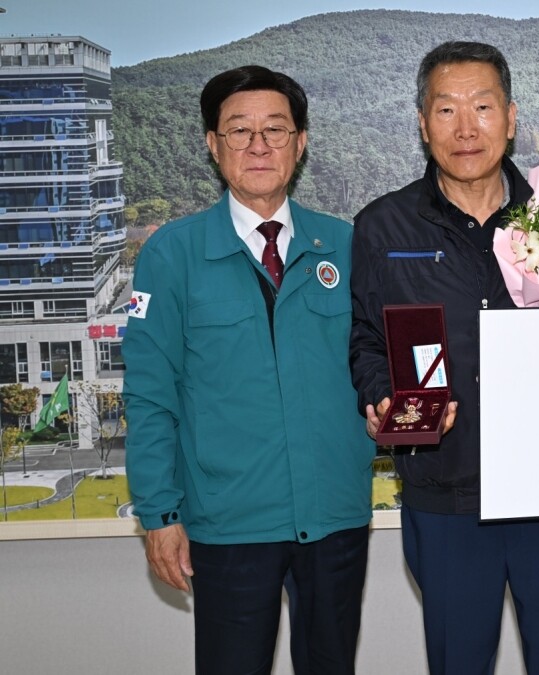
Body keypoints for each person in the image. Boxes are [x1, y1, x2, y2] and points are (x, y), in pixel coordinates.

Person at [349, 41, 539, 675]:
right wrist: (380, 393)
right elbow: (365, 340)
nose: (466, 128)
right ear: (421, 122)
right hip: (445, 494)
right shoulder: (383, 227)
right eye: (446, 110)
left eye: (483, 107)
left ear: (511, 118)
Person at [123, 65, 374, 674]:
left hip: (334, 513)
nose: (259, 146)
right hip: (228, 522)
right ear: (213, 144)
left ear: (301, 142)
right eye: (240, 131)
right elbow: (150, 395)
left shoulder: (345, 244)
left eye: (276, 130)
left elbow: (379, 364)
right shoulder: (171, 253)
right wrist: (159, 514)